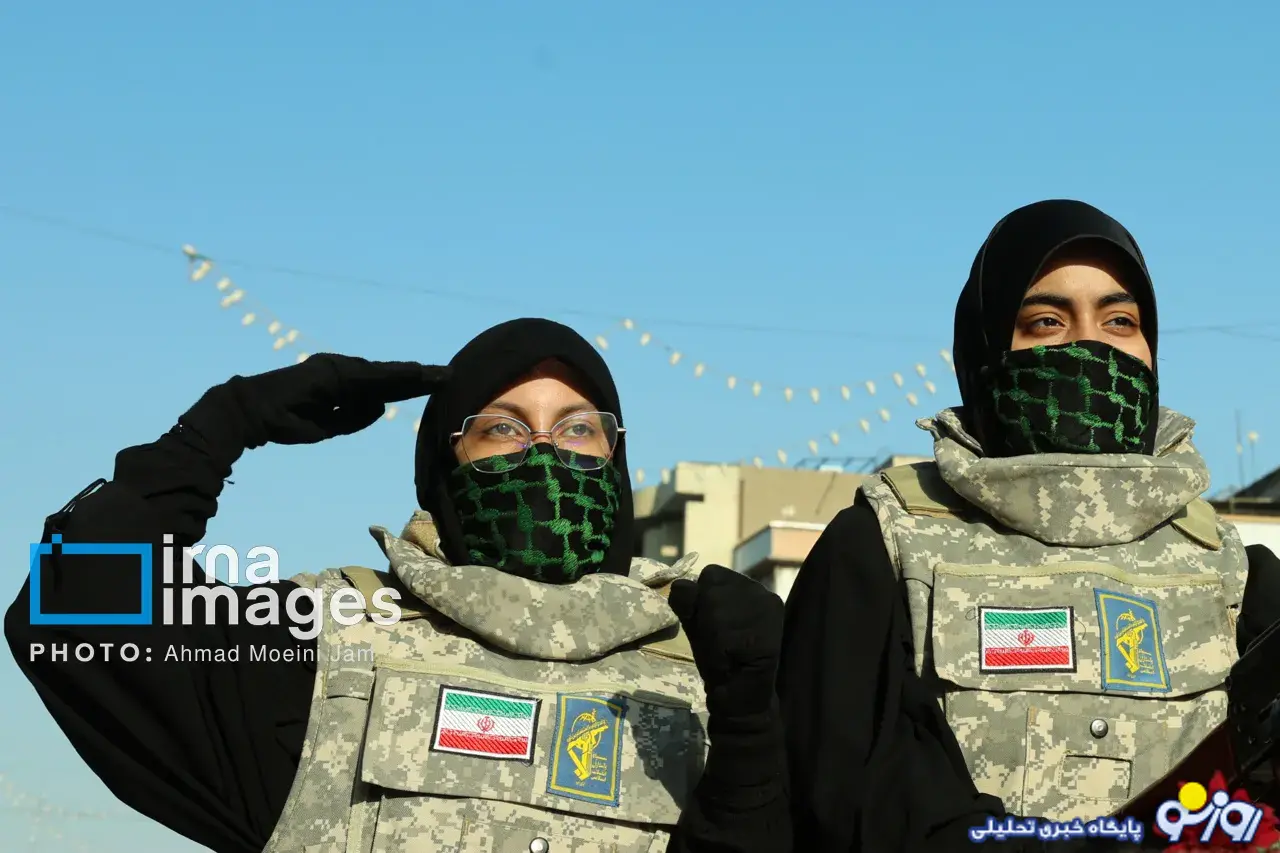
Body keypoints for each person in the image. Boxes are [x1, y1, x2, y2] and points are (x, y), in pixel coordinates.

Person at [6, 317, 789, 853]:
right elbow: (75, 609)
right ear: (444, 462)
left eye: (578, 427)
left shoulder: (706, 669)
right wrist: (224, 424)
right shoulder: (331, 639)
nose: (545, 453)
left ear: (616, 460)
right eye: (503, 427)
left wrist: (754, 718)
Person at [776, 199, 1280, 852]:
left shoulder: (1234, 572)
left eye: (1120, 320)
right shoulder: (882, 547)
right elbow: (857, 804)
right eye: (1047, 321)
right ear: (985, 347)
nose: (1089, 346)